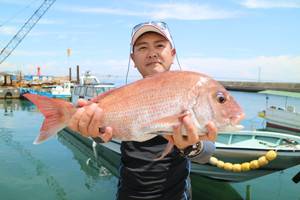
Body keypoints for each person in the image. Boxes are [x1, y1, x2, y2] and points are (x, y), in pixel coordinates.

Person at [68, 21, 217, 200]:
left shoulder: (189, 93)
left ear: (172, 53)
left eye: (160, 45)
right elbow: (102, 136)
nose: (152, 53)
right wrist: (92, 129)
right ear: (133, 59)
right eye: (142, 47)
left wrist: (191, 145)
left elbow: (207, 151)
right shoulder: (124, 96)